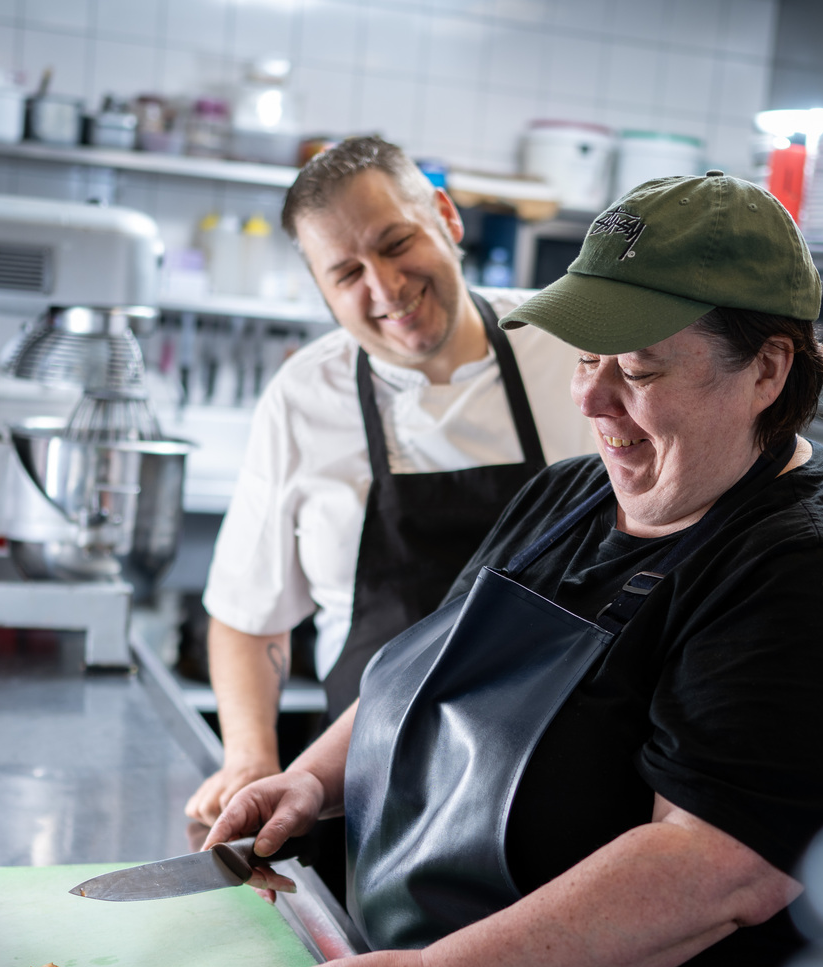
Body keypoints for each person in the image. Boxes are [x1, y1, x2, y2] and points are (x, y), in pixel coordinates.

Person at [204, 172, 823, 967]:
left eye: (637, 370)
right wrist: (311, 778)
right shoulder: (580, 492)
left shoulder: (808, 577)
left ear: (768, 370)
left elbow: (711, 870)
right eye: (587, 360)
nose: (596, 401)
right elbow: (431, 668)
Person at [185, 137, 595, 847]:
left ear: (445, 217)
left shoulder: (570, 353)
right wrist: (251, 758)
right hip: (372, 800)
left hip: (560, 791)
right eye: (346, 273)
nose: (384, 288)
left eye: (396, 243)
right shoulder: (304, 398)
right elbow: (247, 617)